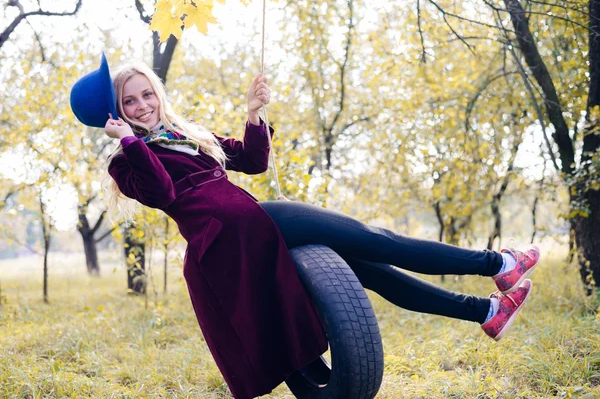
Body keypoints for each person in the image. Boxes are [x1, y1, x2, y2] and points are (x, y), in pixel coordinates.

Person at [71, 55, 540, 399]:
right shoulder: (126, 163)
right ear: (116, 112)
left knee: (371, 265)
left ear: (158, 93)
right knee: (376, 239)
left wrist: (254, 114)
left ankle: (485, 312)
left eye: (146, 94)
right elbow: (163, 193)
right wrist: (130, 141)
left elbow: (252, 162)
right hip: (233, 237)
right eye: (129, 102)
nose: (142, 105)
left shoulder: (184, 133)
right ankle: (498, 263)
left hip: (252, 222)